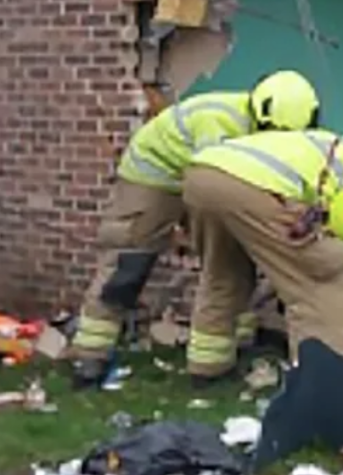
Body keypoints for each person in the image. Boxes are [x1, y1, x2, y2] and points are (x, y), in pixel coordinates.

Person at [68, 70, 321, 386]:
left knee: (232, 260)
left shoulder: (267, 127)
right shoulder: (220, 122)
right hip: (154, 176)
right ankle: (90, 357)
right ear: (259, 112)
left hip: (198, 179)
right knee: (128, 264)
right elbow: (220, 182)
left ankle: (225, 352)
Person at [181, 129, 343, 385]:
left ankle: (207, 367)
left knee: (225, 272)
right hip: (250, 187)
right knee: (320, 278)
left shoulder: (333, 147)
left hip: (200, 177)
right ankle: (321, 384)